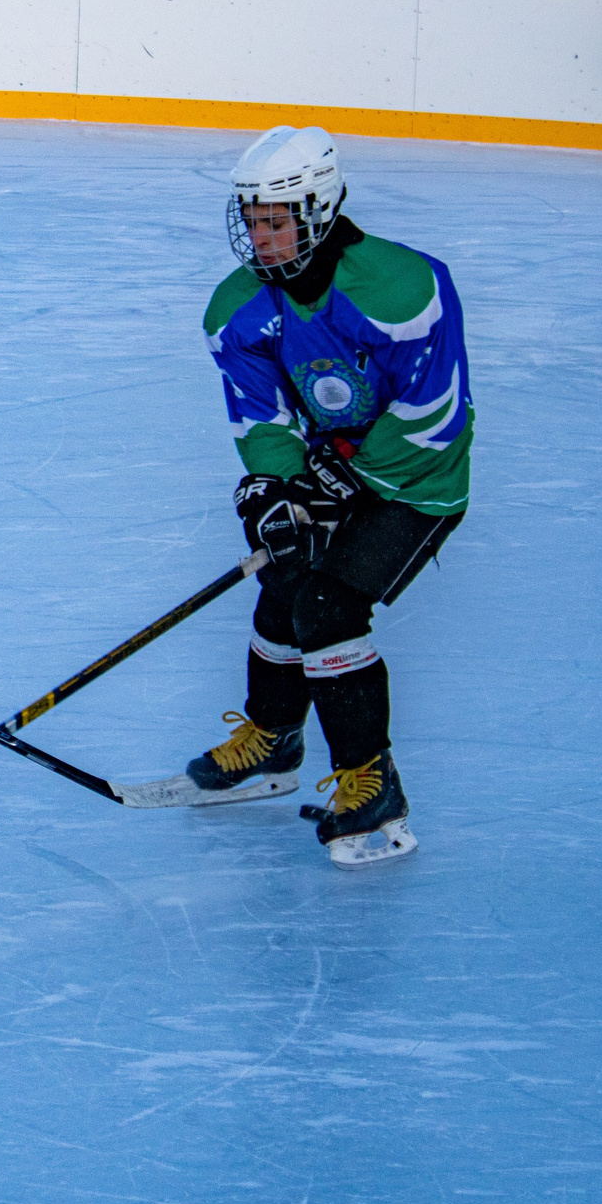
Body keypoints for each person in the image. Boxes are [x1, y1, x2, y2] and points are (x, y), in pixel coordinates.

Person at [185, 126, 471, 868]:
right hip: (331, 467)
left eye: (275, 219)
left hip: (416, 484)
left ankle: (370, 782)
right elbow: (261, 418)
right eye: (251, 220)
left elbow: (434, 415)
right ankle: (273, 739)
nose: (260, 235)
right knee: (282, 568)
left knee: (328, 606)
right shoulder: (238, 310)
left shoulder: (403, 289)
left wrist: (345, 482)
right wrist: (274, 491)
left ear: (317, 210)